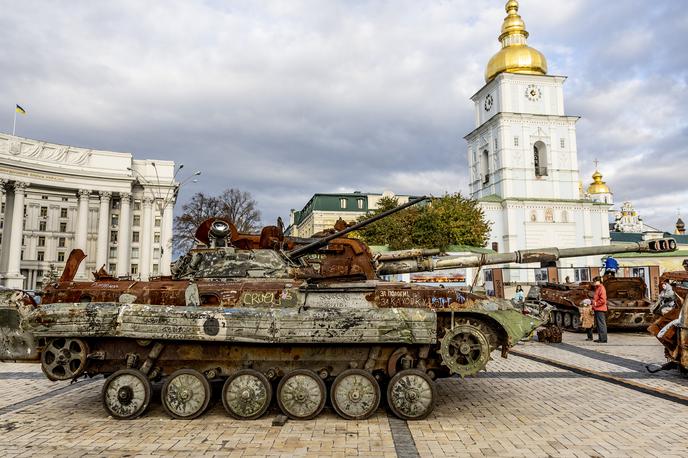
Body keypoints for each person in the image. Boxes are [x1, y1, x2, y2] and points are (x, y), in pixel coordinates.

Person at [591, 276, 608, 343]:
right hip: (598, 308)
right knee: (599, 324)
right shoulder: (598, 288)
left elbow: (603, 300)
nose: (594, 283)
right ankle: (601, 338)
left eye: (595, 281)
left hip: (600, 309)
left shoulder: (601, 288)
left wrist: (595, 304)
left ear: (598, 281)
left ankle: (603, 339)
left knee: (601, 324)